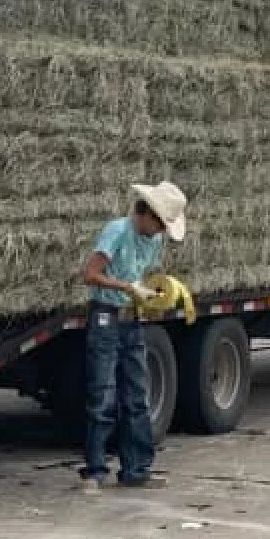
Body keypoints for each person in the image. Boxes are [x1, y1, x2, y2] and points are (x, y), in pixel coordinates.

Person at [79, 181, 187, 494]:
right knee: (103, 396)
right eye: (160, 224)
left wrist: (155, 292)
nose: (161, 232)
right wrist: (127, 287)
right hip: (106, 316)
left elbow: (143, 275)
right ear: (147, 213)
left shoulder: (153, 240)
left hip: (131, 318)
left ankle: (136, 469)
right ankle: (95, 471)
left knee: (136, 396)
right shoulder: (117, 231)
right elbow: (90, 274)